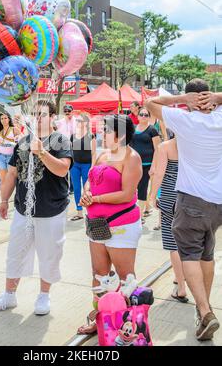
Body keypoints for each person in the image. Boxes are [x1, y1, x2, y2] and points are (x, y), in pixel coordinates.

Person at [146, 79, 222, 342]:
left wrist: (181, 99)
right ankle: (205, 312)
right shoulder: (219, 118)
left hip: (191, 200)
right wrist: (215, 98)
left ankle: (204, 309)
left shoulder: (184, 120)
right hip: (217, 203)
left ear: (190, 101)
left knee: (188, 253)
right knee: (207, 254)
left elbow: (149, 103)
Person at [0, 100, 73, 315]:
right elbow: (12, 174)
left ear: (52, 117)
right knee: (15, 252)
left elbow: (62, 170)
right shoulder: (22, 141)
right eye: (35, 114)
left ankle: (44, 296)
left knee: (49, 253)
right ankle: (9, 295)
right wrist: (4, 200)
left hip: (51, 209)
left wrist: (42, 152)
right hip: (23, 209)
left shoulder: (60, 140)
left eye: (42, 114)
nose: (38, 118)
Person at [77, 114, 142, 334]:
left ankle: (129, 324)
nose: (102, 133)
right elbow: (89, 180)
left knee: (126, 279)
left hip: (121, 225)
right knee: (99, 274)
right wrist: (86, 193)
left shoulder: (131, 157)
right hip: (96, 225)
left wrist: (95, 199)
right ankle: (101, 319)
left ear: (120, 134)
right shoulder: (102, 154)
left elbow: (126, 194)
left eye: (106, 130)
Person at [149, 138, 188, 303]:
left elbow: (159, 173)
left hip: (170, 197)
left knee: (173, 244)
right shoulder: (195, 144)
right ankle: (184, 276)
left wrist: (152, 195)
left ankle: (181, 288)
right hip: (191, 197)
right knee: (188, 242)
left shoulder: (165, 146)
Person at [130, 108, 161, 221]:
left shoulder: (152, 130)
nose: (143, 116)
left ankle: (140, 216)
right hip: (133, 164)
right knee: (133, 188)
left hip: (147, 164)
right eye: (141, 114)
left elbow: (157, 149)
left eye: (146, 115)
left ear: (149, 117)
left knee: (142, 188)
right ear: (137, 116)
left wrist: (154, 165)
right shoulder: (133, 128)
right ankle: (140, 209)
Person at [70, 112, 96, 221]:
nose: (78, 123)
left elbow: (94, 153)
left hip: (87, 165)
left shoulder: (91, 136)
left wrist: (92, 167)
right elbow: (70, 151)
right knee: (76, 188)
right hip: (75, 166)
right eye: (77, 120)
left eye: (80, 121)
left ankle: (90, 212)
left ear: (85, 123)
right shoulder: (73, 136)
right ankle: (79, 212)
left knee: (87, 190)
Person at [0, 112, 21, 186]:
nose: (3, 120)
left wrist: (17, 139)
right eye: (1, 118)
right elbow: (1, 145)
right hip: (0, 156)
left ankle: (14, 195)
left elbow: (23, 140)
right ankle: (4, 196)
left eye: (5, 118)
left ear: (9, 119)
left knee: (12, 178)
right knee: (3, 179)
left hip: (11, 156)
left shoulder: (14, 129)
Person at [56, 104, 77, 194]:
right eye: (65, 111)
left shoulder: (76, 121)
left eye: (69, 111)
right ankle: (64, 187)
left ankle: (72, 188)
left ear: (72, 111)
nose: (67, 113)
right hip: (62, 146)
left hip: (74, 146)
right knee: (63, 167)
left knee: (72, 167)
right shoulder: (60, 122)